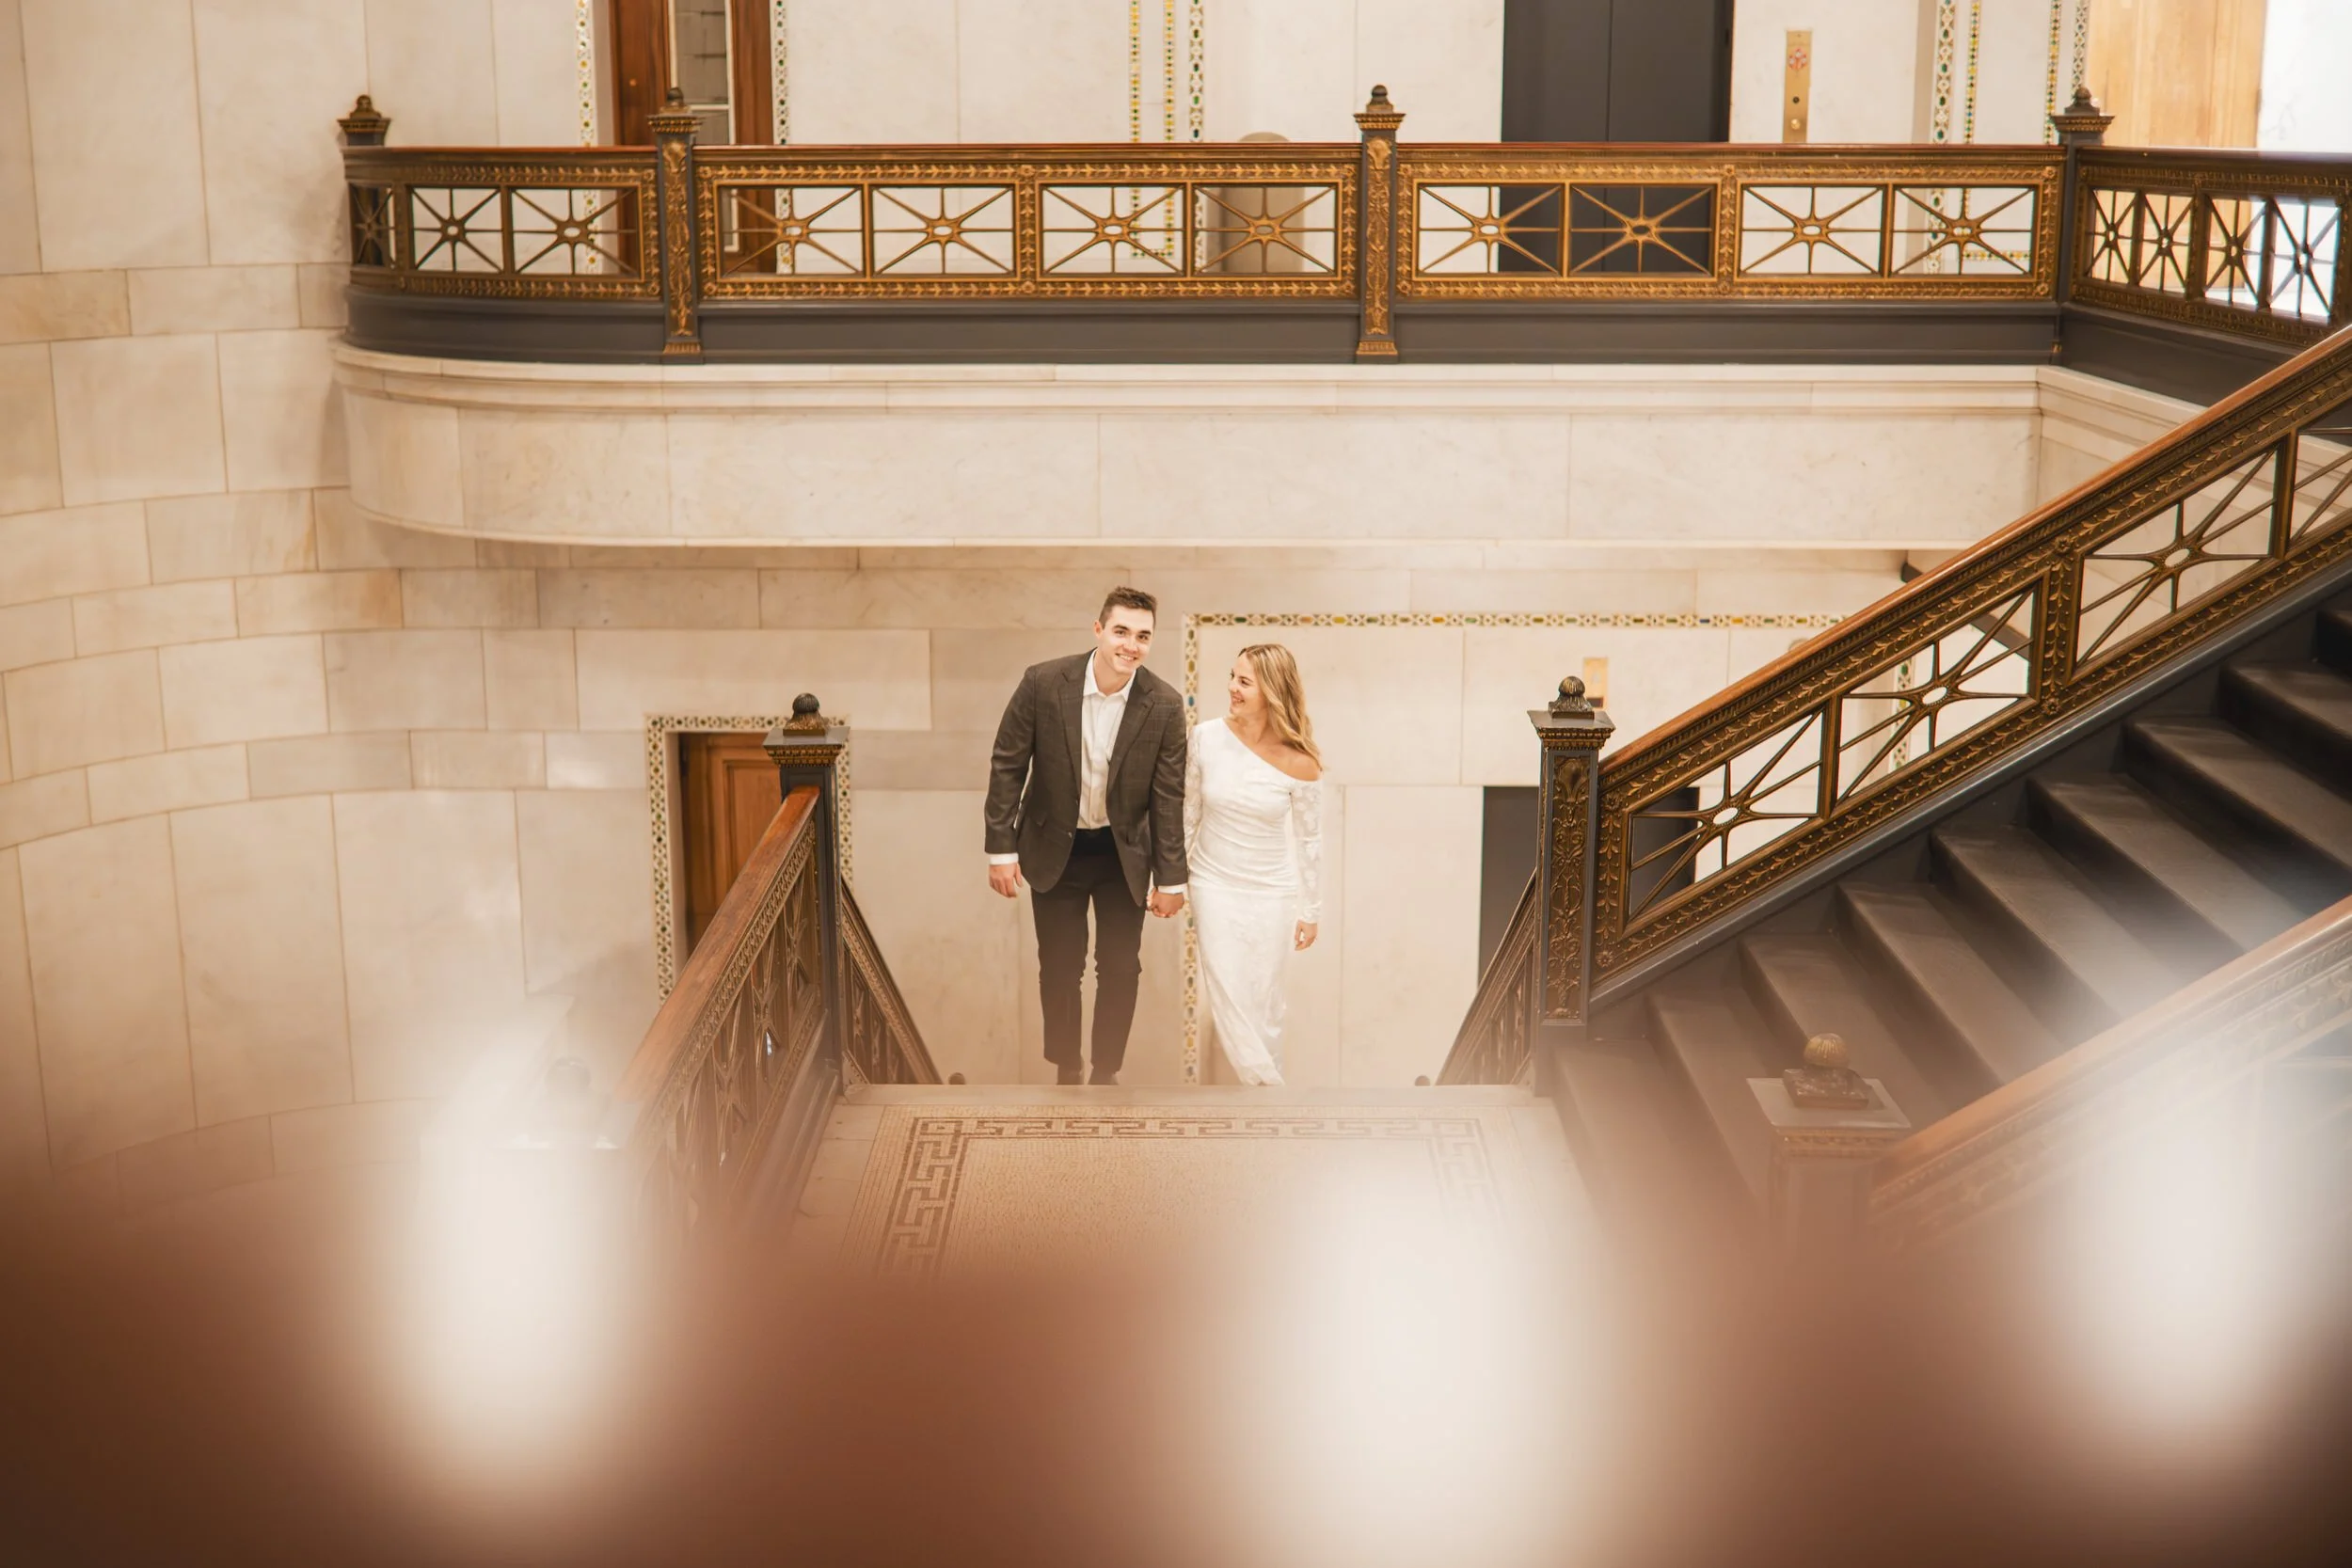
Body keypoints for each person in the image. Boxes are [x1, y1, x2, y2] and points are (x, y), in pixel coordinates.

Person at [984, 587, 1189, 1086]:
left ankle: (1106, 1070)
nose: (1131, 645)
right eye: (1121, 631)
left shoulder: (1163, 704)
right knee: (1059, 967)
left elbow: (1168, 797)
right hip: (1056, 849)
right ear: (1098, 630)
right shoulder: (1043, 682)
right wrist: (1001, 848)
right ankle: (1067, 1065)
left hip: (1124, 857)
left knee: (1120, 969)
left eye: (1143, 636)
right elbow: (1008, 764)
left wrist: (1172, 879)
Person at [1185, 643, 1323, 1086]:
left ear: (1272, 691)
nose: (1232, 688)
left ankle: (1265, 1095)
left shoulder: (1301, 762)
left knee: (1265, 1006)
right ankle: (1272, 1090)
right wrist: (1170, 881)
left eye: (1244, 681)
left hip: (1272, 894)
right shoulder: (1205, 737)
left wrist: (1311, 910)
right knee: (1227, 991)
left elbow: (1309, 841)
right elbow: (1187, 814)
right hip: (1213, 882)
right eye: (1232, 676)